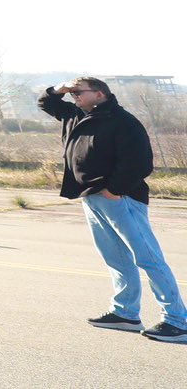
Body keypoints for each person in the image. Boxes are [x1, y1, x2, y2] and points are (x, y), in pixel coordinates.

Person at [39, 77, 185, 342]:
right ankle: (125, 313)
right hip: (91, 197)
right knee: (115, 258)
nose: (74, 97)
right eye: (71, 93)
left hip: (121, 198)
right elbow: (46, 103)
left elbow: (140, 162)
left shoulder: (122, 121)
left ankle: (177, 321)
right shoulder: (76, 115)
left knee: (148, 258)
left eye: (79, 92)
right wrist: (60, 88)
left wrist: (114, 190)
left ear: (99, 94)